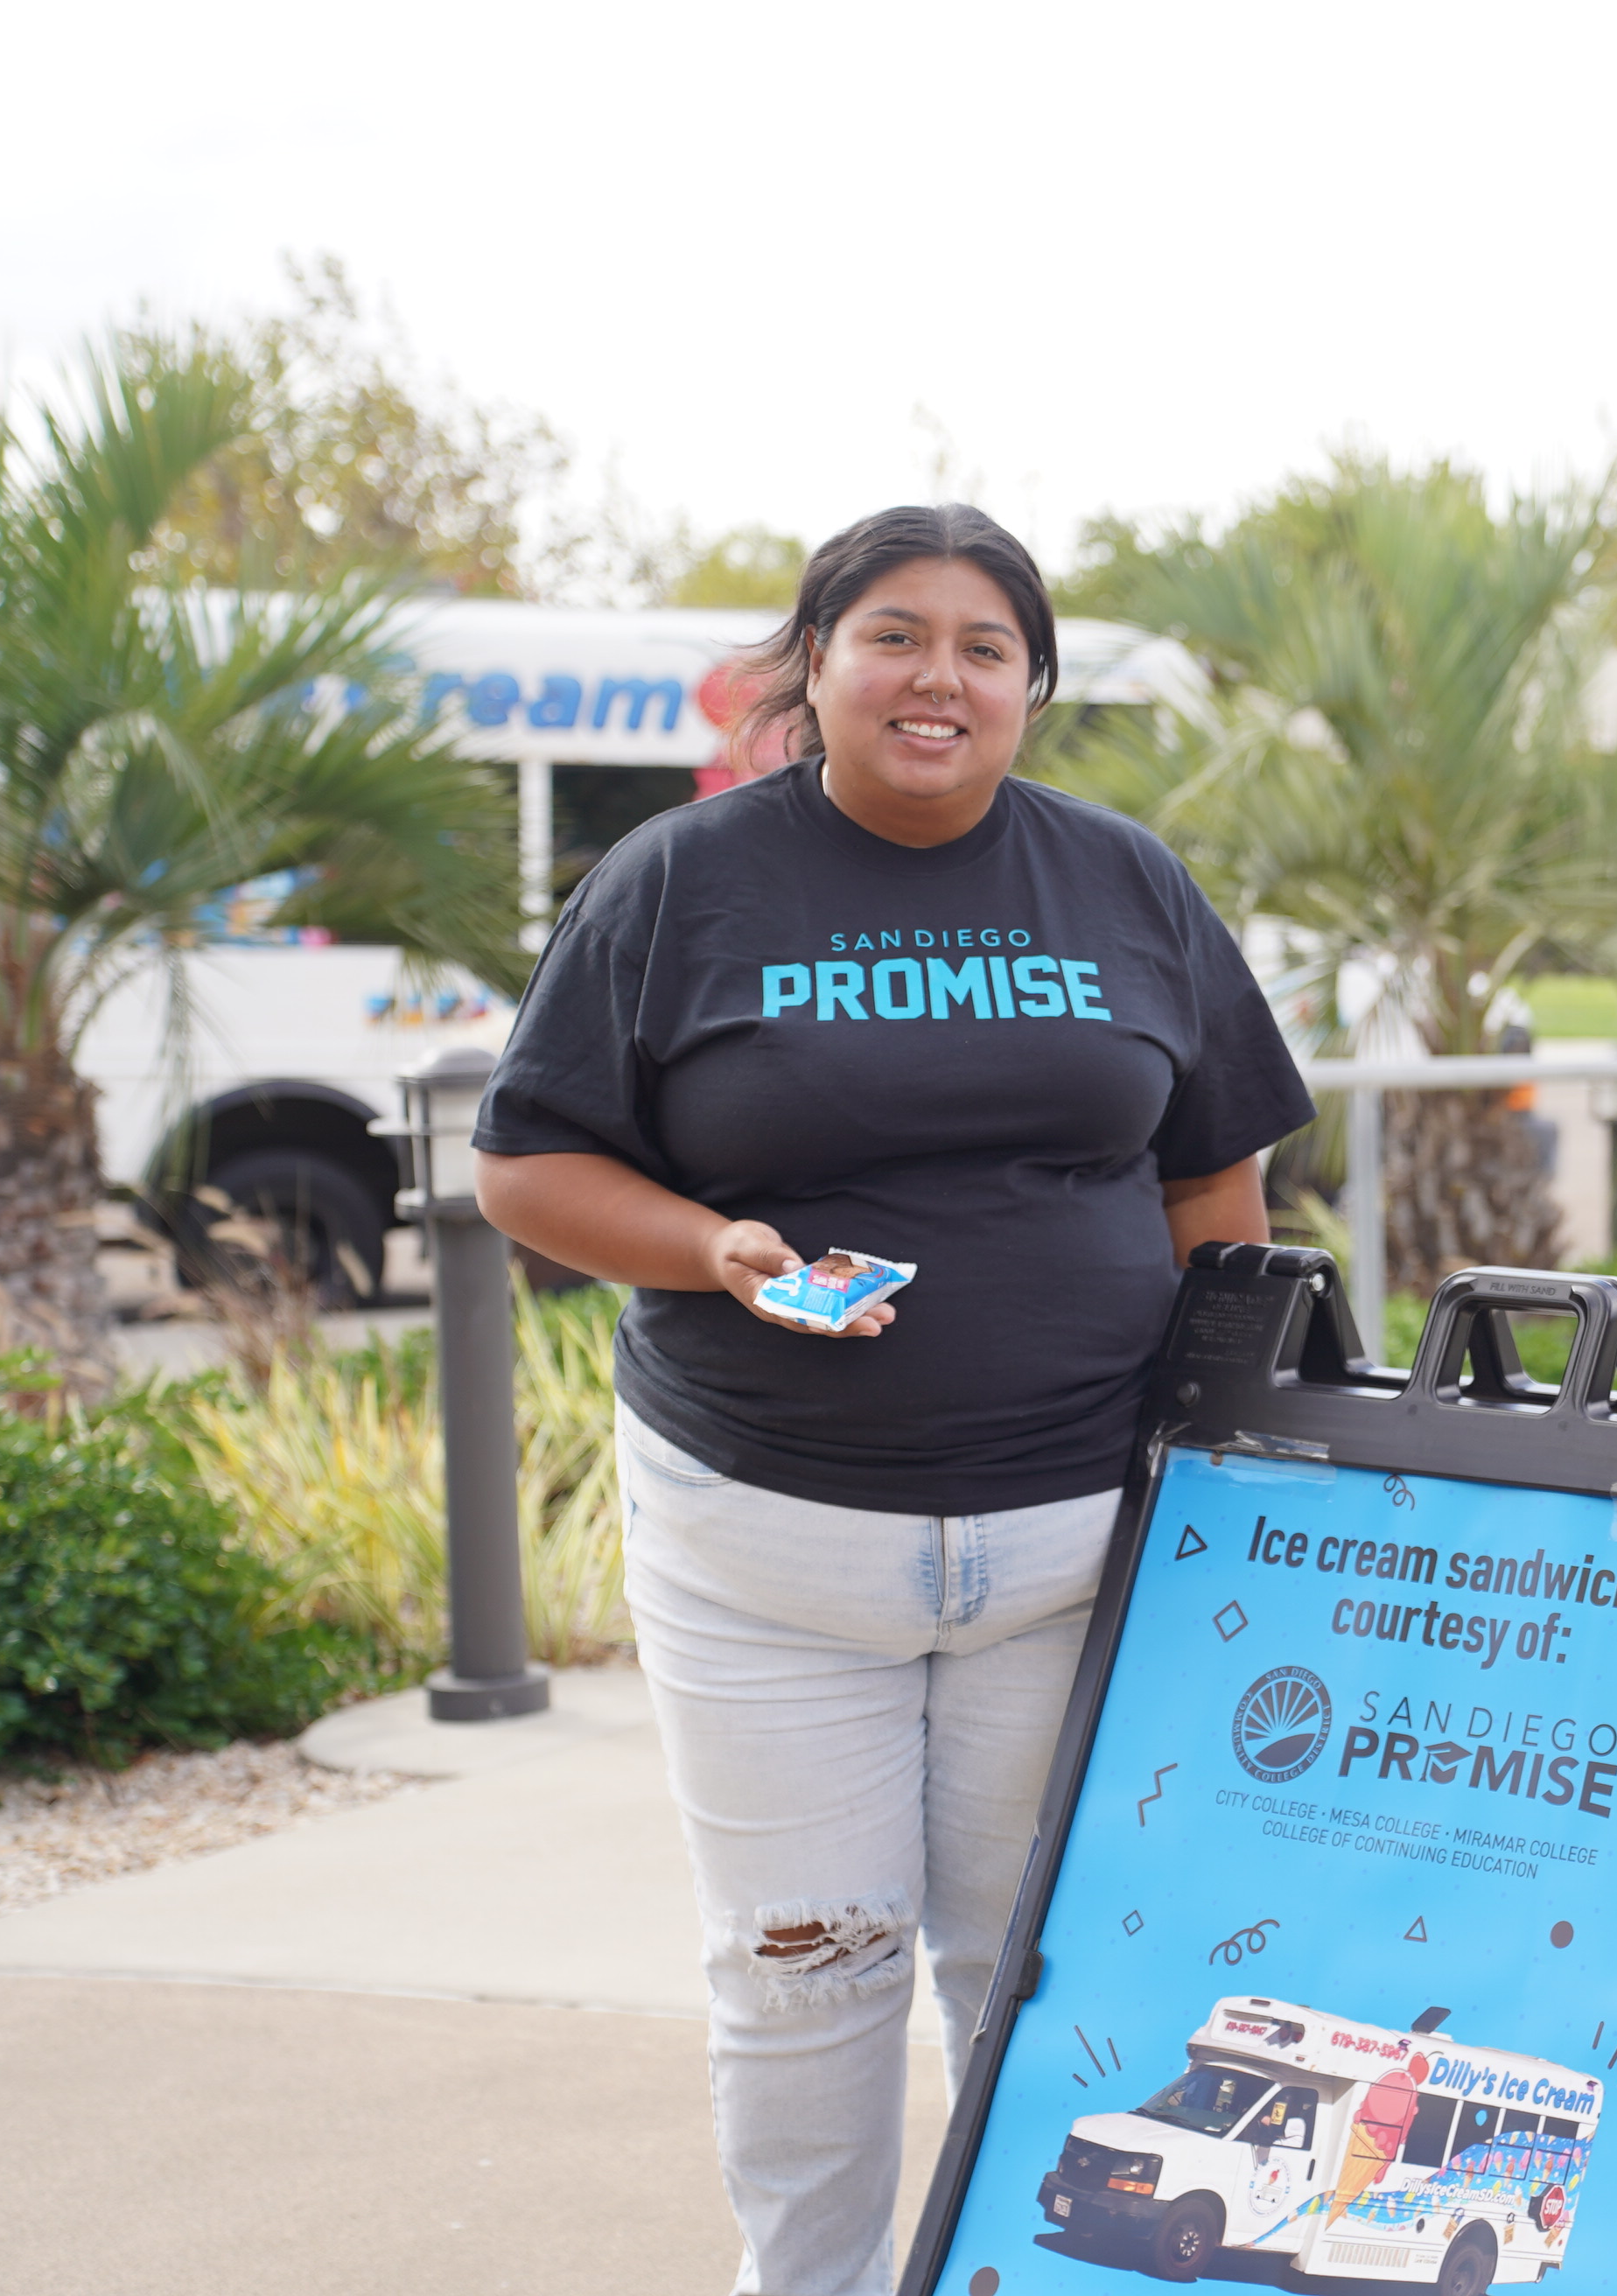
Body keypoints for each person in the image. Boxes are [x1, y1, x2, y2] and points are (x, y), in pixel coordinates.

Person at [472, 504, 1313, 2296]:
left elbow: (1214, 1194)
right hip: (769, 1549)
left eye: (986, 646)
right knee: (802, 1965)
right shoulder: (682, 884)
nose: (939, 675)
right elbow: (528, 1168)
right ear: (818, 665)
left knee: (1037, 1964)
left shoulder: (1124, 881)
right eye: (894, 634)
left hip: (1080, 1543)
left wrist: (1225, 1456)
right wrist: (717, 1248)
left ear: (1030, 687)